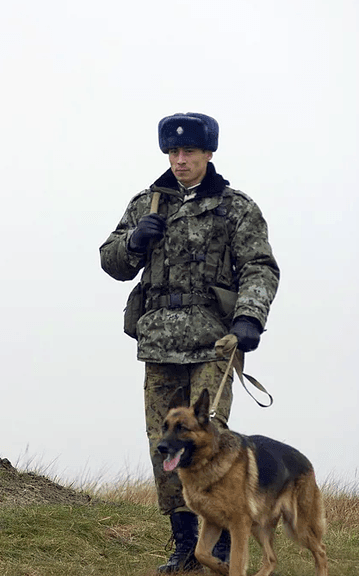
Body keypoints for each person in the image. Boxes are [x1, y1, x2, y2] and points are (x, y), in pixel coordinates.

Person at [99, 112, 280, 573]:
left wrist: (249, 319)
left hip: (213, 341)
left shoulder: (235, 206)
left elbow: (260, 266)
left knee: (212, 437)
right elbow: (111, 260)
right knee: (166, 443)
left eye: (190, 153)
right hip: (158, 342)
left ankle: (218, 547)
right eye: (173, 153)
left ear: (208, 154)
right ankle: (184, 545)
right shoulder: (147, 203)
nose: (180, 160)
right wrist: (134, 242)